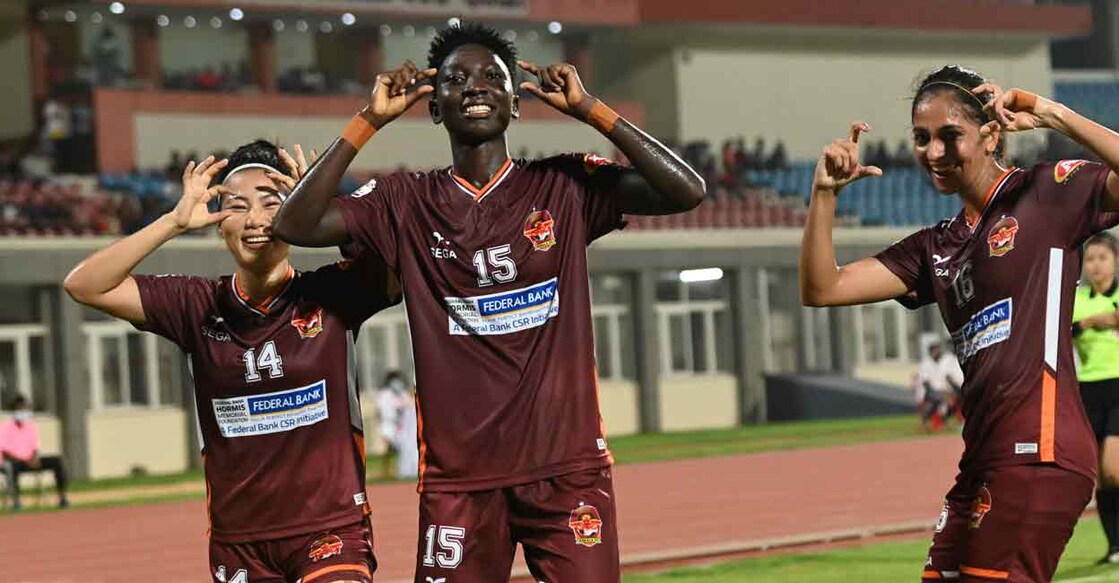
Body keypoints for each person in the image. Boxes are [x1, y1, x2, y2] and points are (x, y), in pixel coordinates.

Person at [271, 21, 704, 583]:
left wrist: (591, 110)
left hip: (566, 467)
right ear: (433, 108)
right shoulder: (405, 200)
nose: (474, 87)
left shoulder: (564, 185)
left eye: (491, 77)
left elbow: (686, 191)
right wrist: (370, 119)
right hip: (460, 481)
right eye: (455, 80)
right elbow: (294, 222)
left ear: (517, 102)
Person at [799, 64, 1119, 581]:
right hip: (981, 461)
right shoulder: (934, 247)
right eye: (922, 139)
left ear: (992, 133)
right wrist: (824, 195)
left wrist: (1052, 114)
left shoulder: (1046, 194)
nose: (933, 153)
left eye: (951, 136)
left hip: (1039, 451)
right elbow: (822, 288)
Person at [64, 140, 400, 583]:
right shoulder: (194, 305)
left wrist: (322, 208)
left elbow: (399, 268)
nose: (257, 219)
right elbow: (85, 286)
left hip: (330, 530)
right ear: (221, 225)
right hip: (240, 543)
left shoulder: (333, 293)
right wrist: (171, 222)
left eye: (273, 203)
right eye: (238, 206)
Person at [1073, 231, 1119, 564]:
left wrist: (1096, 320)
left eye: (1102, 258)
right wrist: (1086, 321)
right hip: (1088, 389)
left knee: (1114, 468)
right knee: (1100, 481)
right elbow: (1063, 329)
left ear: (1115, 261)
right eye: (1090, 259)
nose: (1096, 266)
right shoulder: (1077, 299)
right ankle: (1115, 546)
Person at [0, 395, 69, 510]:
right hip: (13, 461)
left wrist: (33, 458)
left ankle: (62, 497)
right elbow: (5, 451)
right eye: (19, 409)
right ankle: (16, 501)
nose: (22, 412)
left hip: (30, 461)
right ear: (14, 411)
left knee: (57, 460)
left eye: (24, 409)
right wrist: (24, 459)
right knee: (11, 467)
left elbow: (34, 448)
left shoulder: (30, 427)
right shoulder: (5, 428)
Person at [916, 342, 963, 432]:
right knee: (939, 399)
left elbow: (947, 378)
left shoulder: (943, 362)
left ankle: (941, 421)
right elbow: (926, 383)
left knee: (953, 400)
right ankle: (926, 421)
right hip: (929, 391)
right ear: (931, 351)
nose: (938, 351)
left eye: (939, 349)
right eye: (936, 350)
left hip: (944, 391)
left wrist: (950, 391)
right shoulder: (926, 363)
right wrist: (938, 394)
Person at [376, 370, 407, 479]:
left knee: (398, 449)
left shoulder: (402, 393)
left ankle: (396, 470)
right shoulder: (384, 394)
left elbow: (405, 406)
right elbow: (380, 410)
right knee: (387, 448)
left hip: (400, 424)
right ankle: (385, 471)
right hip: (388, 424)